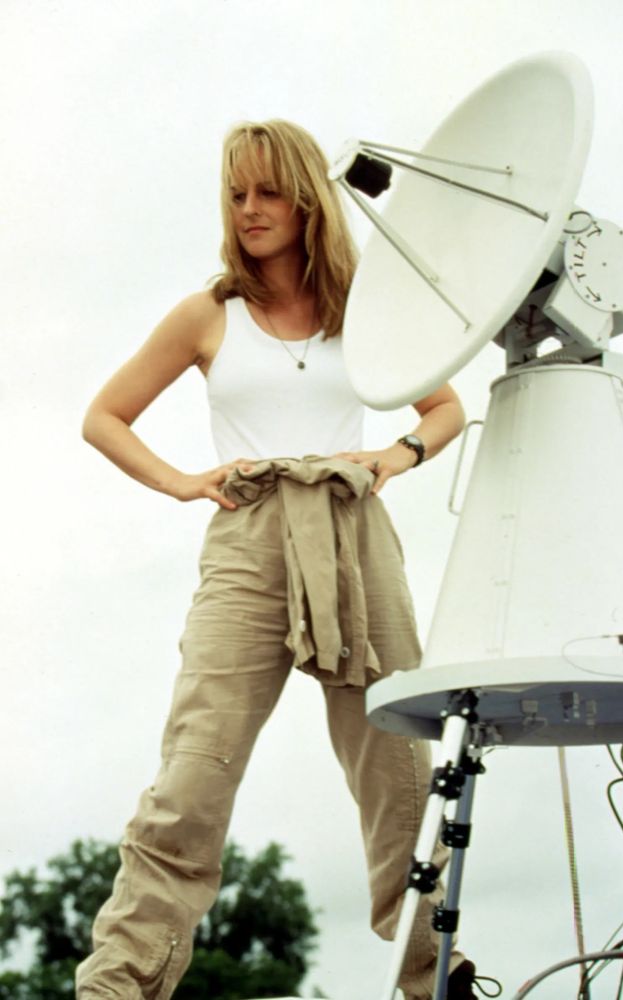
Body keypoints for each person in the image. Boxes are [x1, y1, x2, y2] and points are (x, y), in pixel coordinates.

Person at [76, 119, 478, 1000]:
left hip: (350, 525)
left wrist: (394, 457)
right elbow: (104, 417)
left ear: (305, 198)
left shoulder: (363, 308)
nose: (249, 209)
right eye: (235, 193)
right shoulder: (204, 315)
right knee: (194, 767)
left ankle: (429, 980)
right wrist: (184, 482)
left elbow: (445, 408)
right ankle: (120, 984)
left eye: (266, 191)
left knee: (396, 764)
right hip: (249, 533)